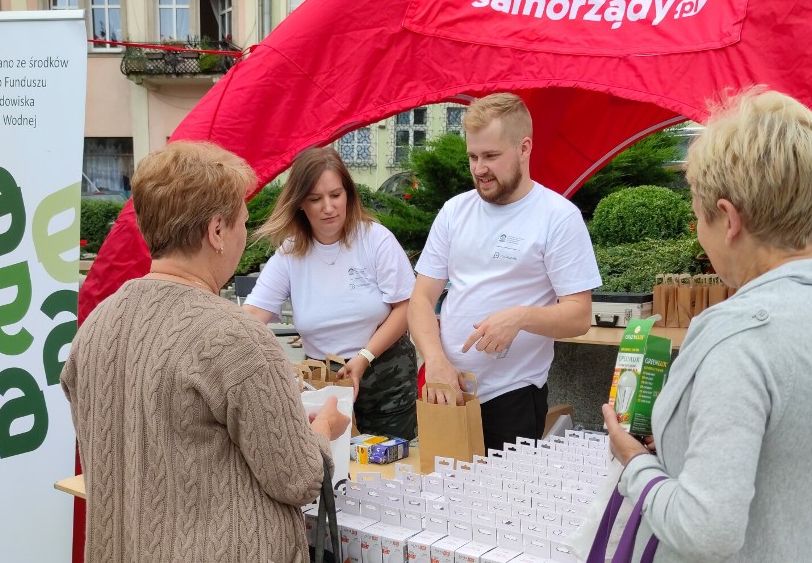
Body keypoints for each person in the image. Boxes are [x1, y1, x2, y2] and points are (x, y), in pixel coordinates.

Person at [61, 142, 349, 563]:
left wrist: (278, 422)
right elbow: (300, 478)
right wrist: (322, 429)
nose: (242, 236)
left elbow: (155, 431)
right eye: (242, 223)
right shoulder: (238, 339)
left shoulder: (97, 325)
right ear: (217, 231)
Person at [602, 90, 812, 562]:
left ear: (729, 218)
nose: (700, 233)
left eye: (699, 217)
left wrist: (635, 463)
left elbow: (705, 531)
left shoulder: (739, 338)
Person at [408, 92, 602, 451]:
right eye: (473, 156)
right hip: (447, 387)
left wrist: (520, 318)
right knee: (439, 501)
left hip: (512, 396)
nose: (479, 168)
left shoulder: (557, 216)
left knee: (500, 506)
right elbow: (420, 298)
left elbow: (579, 314)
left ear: (524, 148)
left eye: (491, 156)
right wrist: (434, 360)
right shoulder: (454, 211)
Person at [243, 147, 418, 440]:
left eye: (335, 195)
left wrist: (363, 358)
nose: (328, 207)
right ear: (300, 204)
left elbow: (406, 307)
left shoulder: (375, 239)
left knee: (388, 465)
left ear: (348, 194)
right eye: (315, 199)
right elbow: (250, 318)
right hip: (324, 380)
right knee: (332, 469)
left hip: (385, 373)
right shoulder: (288, 254)